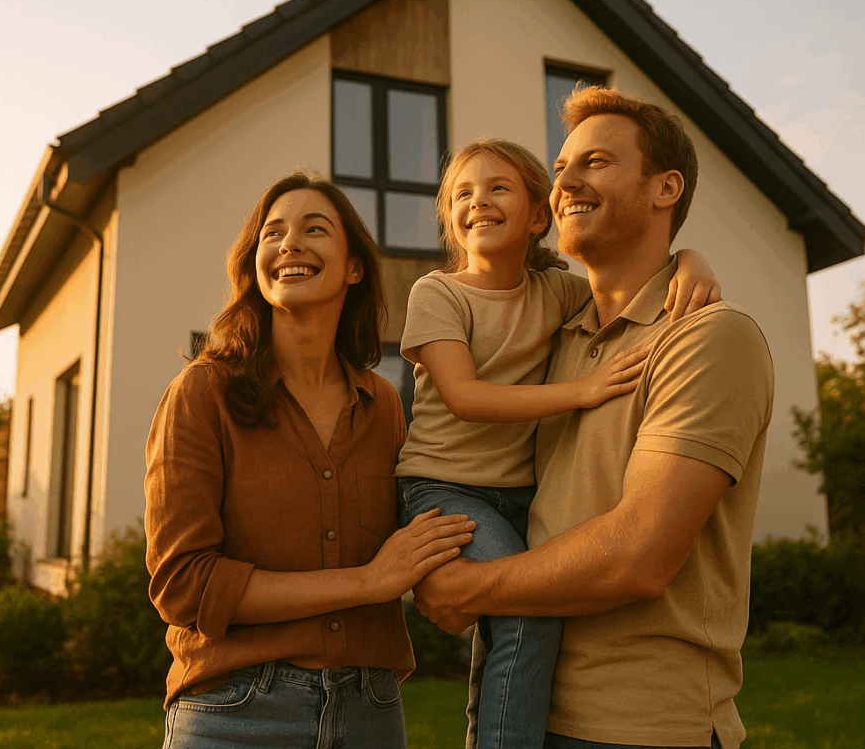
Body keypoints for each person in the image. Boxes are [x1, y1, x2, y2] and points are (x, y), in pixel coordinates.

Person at [416, 87, 774, 749]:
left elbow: (638, 556)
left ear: (667, 188)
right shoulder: (558, 332)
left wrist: (467, 586)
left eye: (597, 163)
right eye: (559, 169)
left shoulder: (707, 337)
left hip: (641, 729)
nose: (567, 183)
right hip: (525, 710)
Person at [144, 171, 475, 749]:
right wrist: (367, 582)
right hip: (234, 713)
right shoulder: (202, 394)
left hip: (371, 712)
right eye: (273, 234)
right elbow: (184, 586)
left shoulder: (385, 408)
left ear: (354, 267)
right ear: (255, 265)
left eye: (314, 229)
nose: (290, 244)